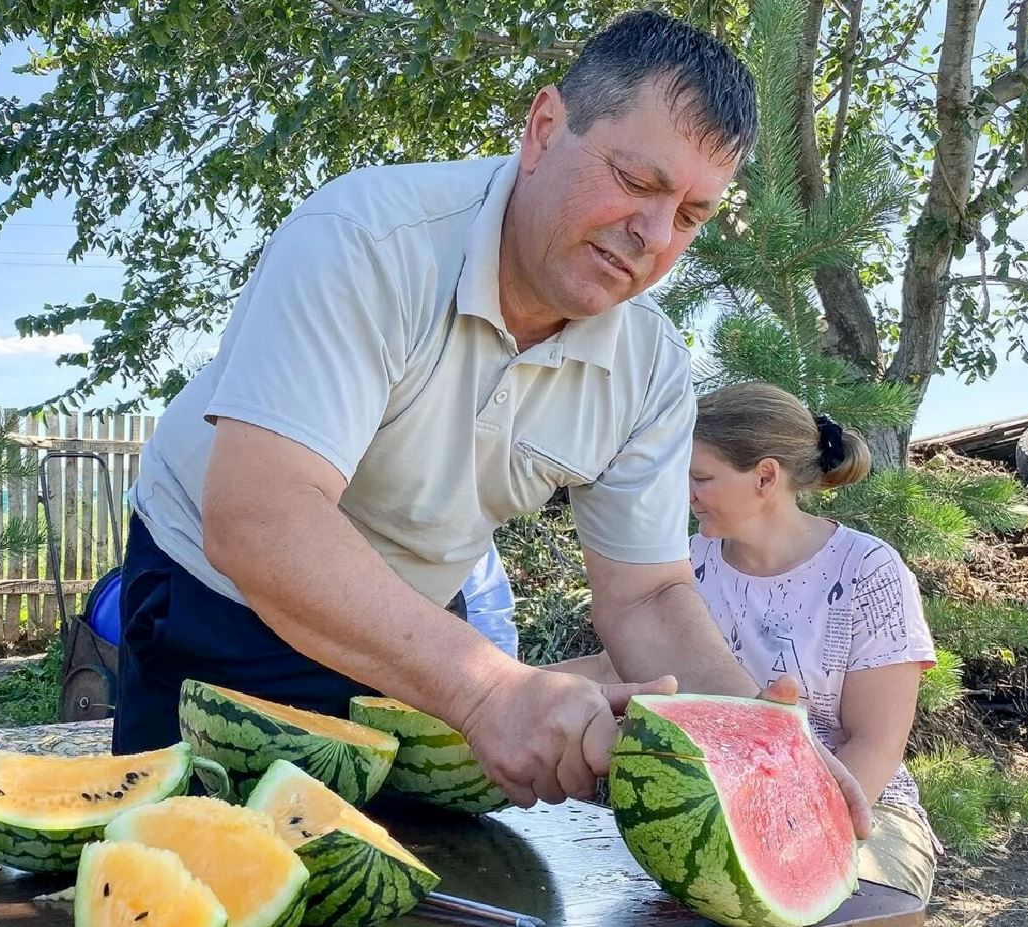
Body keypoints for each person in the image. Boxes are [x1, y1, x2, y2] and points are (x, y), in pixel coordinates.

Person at [114, 10, 869, 832]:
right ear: (544, 128)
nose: (653, 234)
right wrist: (487, 688)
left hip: (410, 632)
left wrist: (762, 740)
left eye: (690, 216)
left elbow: (649, 594)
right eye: (638, 181)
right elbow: (262, 518)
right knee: (186, 869)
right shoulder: (367, 240)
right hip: (212, 601)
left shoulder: (651, 369)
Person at [682, 382, 941, 901]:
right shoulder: (686, 563)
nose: (685, 494)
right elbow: (623, 660)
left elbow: (876, 742)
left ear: (764, 477)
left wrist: (796, 834)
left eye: (701, 478)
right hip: (714, 801)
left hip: (862, 806)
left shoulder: (869, 570)